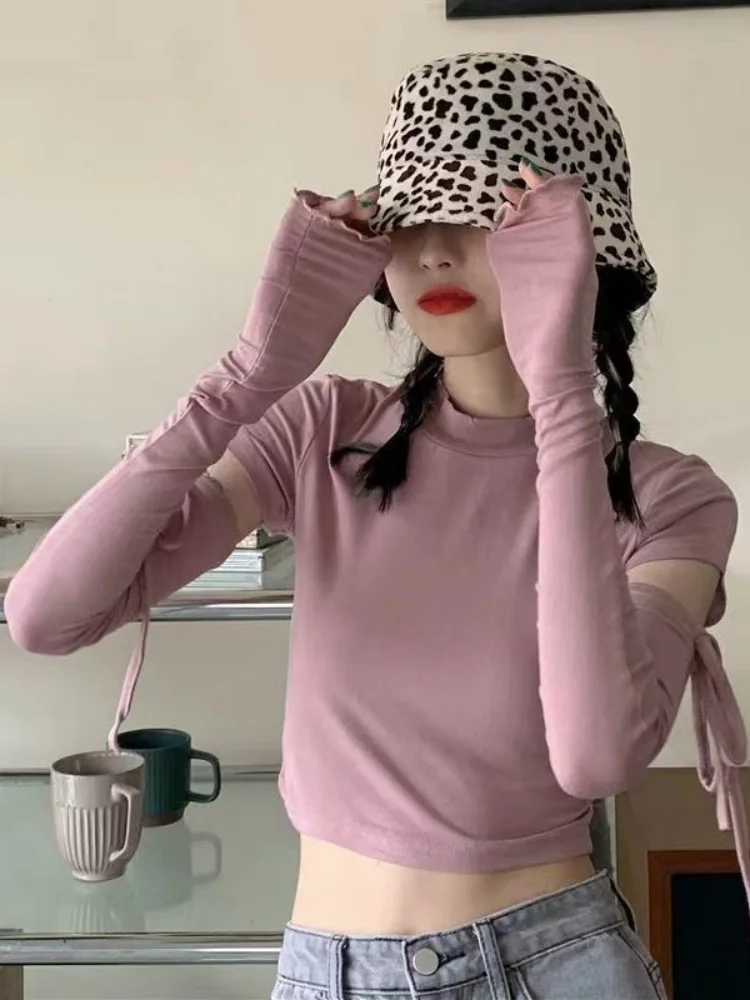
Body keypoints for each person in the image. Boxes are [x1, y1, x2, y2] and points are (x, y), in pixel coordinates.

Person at [6, 52, 748, 998]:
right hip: (327, 970)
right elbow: (46, 615)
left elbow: (594, 753)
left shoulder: (672, 497)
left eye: (481, 215)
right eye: (413, 216)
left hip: (555, 964)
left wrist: (562, 391)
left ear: (579, 250)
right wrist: (242, 379)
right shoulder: (325, 429)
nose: (432, 249)